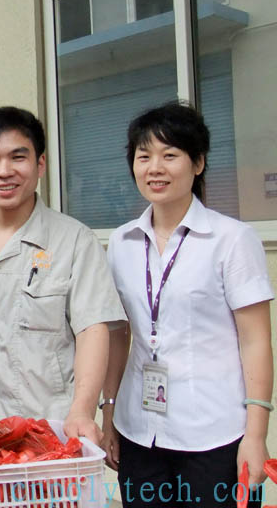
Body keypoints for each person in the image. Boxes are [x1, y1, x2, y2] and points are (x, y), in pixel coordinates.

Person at [102, 102, 273, 508]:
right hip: (139, 431)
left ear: (197, 164)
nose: (154, 168)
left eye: (170, 155)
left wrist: (257, 434)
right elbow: (118, 336)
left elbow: (256, 341)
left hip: (215, 433)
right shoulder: (121, 242)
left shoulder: (231, 239)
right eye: (143, 157)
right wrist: (108, 415)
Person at [0, 106, 126, 443]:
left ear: (40, 164)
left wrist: (83, 410)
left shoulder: (74, 240)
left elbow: (92, 330)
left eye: (18, 157)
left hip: (48, 434)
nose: (4, 171)